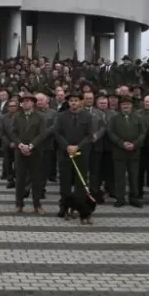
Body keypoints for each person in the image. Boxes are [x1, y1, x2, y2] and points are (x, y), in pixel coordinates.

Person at [52, 90, 96, 219]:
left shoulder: (87, 116)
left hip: (81, 153)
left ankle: (79, 207)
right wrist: (67, 146)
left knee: (80, 183)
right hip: (65, 153)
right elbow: (57, 133)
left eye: (76, 100)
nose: (73, 103)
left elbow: (89, 135)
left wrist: (77, 147)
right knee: (65, 181)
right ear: (68, 102)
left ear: (81, 102)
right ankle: (64, 207)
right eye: (71, 101)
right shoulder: (61, 116)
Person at [106, 96, 147, 208]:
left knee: (134, 176)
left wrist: (134, 144)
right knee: (119, 177)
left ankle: (134, 198)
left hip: (134, 152)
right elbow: (110, 133)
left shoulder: (139, 118)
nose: (126, 106)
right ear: (120, 106)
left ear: (132, 105)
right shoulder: (114, 118)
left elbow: (143, 133)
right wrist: (121, 143)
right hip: (119, 152)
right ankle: (120, 198)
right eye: (123, 104)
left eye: (128, 104)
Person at [11, 93, 46, 213]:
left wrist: (30, 146)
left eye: (28, 101)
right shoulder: (16, 116)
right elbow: (12, 133)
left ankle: (37, 205)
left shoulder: (40, 116)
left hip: (35, 151)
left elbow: (42, 134)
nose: (25, 103)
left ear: (33, 103)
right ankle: (19, 204)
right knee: (20, 179)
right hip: (20, 151)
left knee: (36, 179)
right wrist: (21, 145)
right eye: (23, 101)